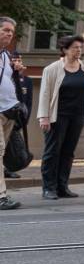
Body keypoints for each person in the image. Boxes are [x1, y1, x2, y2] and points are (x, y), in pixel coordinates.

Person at [37, 34, 84, 200]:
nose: (79, 50)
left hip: (78, 115)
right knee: (52, 151)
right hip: (57, 115)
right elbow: (45, 94)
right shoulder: (52, 69)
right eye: (75, 47)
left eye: (80, 47)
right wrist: (44, 117)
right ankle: (49, 188)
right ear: (65, 50)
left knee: (68, 152)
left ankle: (62, 186)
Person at [0, 17, 29, 210]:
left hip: (8, 111)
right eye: (5, 30)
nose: (10, 34)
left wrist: (16, 71)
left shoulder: (6, 56)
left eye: (11, 31)